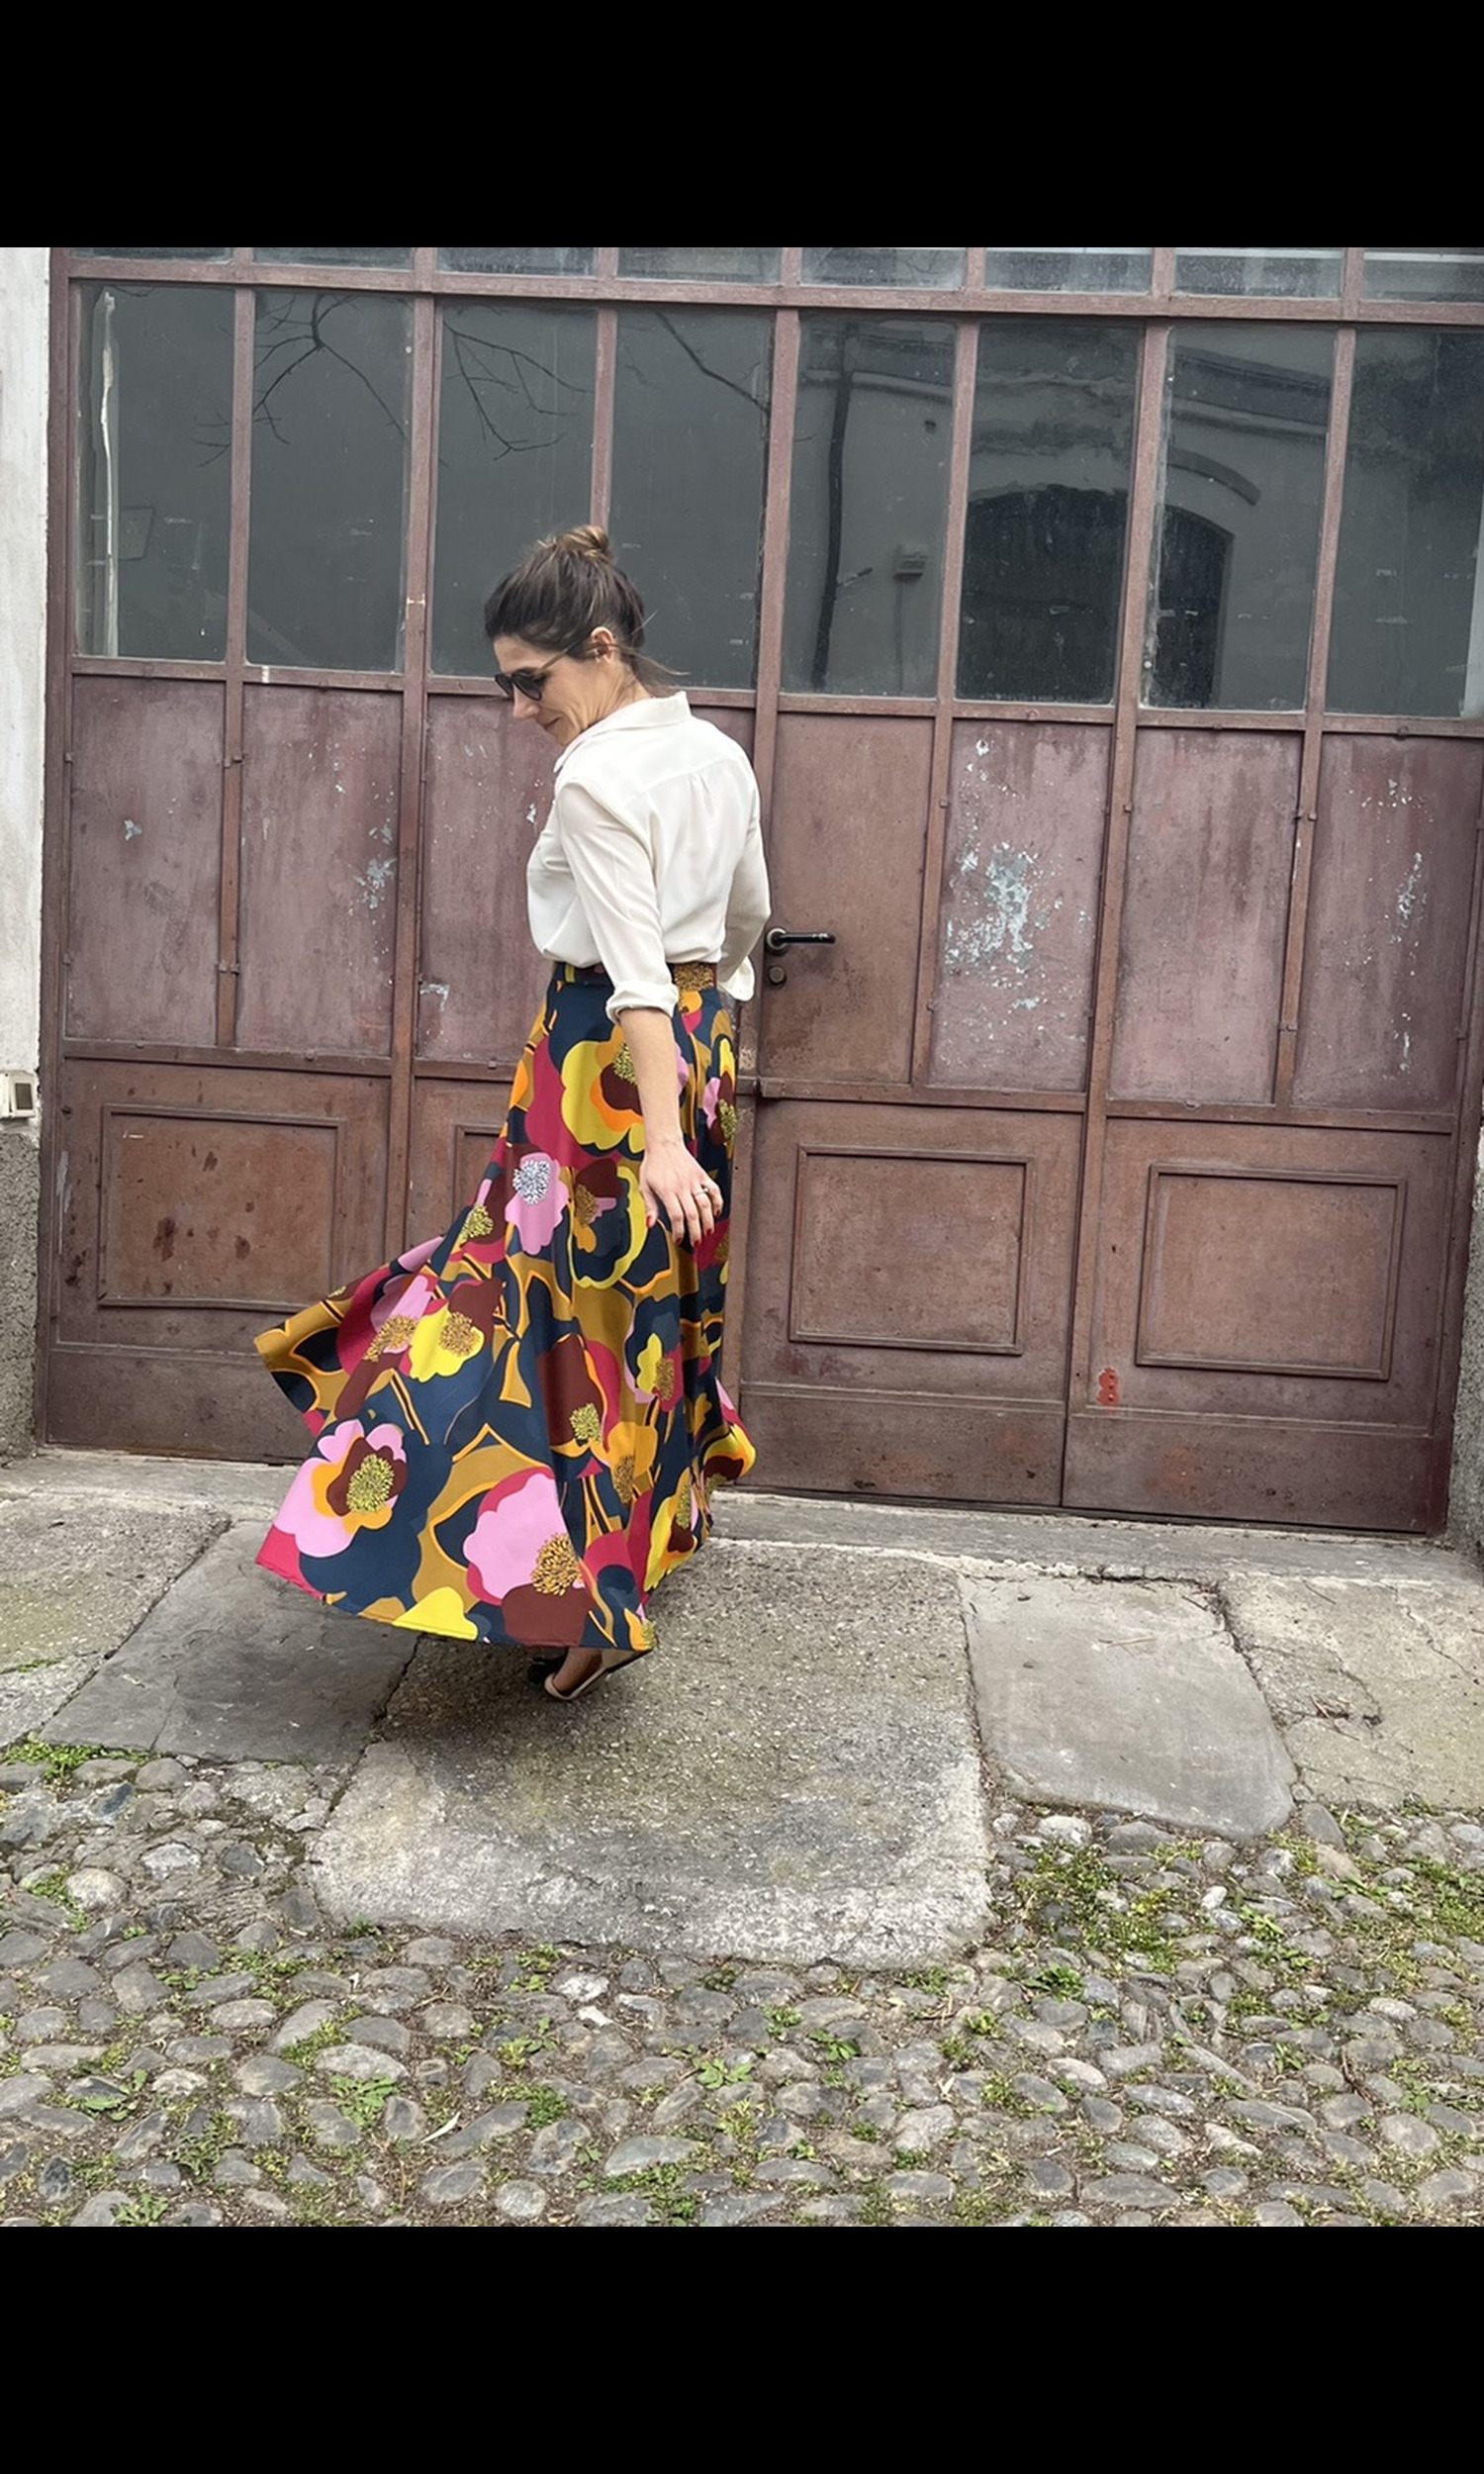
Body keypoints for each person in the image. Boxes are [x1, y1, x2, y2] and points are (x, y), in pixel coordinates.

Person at [255, 525, 770, 1702]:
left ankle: (579, 1596)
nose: (520, 707)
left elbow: (633, 976)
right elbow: (745, 918)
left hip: (607, 1067)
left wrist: (660, 1135)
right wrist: (705, 1045)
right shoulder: (718, 755)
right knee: (638, 1316)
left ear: (603, 648)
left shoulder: (594, 776)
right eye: (509, 685)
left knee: (539, 1311)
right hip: (693, 1051)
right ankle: (614, 1569)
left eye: (532, 681)